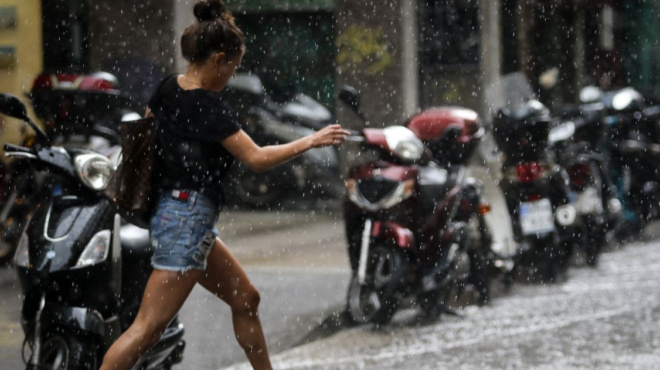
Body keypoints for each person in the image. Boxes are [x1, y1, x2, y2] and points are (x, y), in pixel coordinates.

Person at [99, 1, 349, 369]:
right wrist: (311, 141)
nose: (232, 75)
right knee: (148, 328)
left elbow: (151, 134)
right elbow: (257, 158)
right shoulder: (209, 106)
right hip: (185, 221)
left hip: (182, 218)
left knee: (246, 299)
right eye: (233, 66)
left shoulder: (167, 88)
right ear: (218, 59)